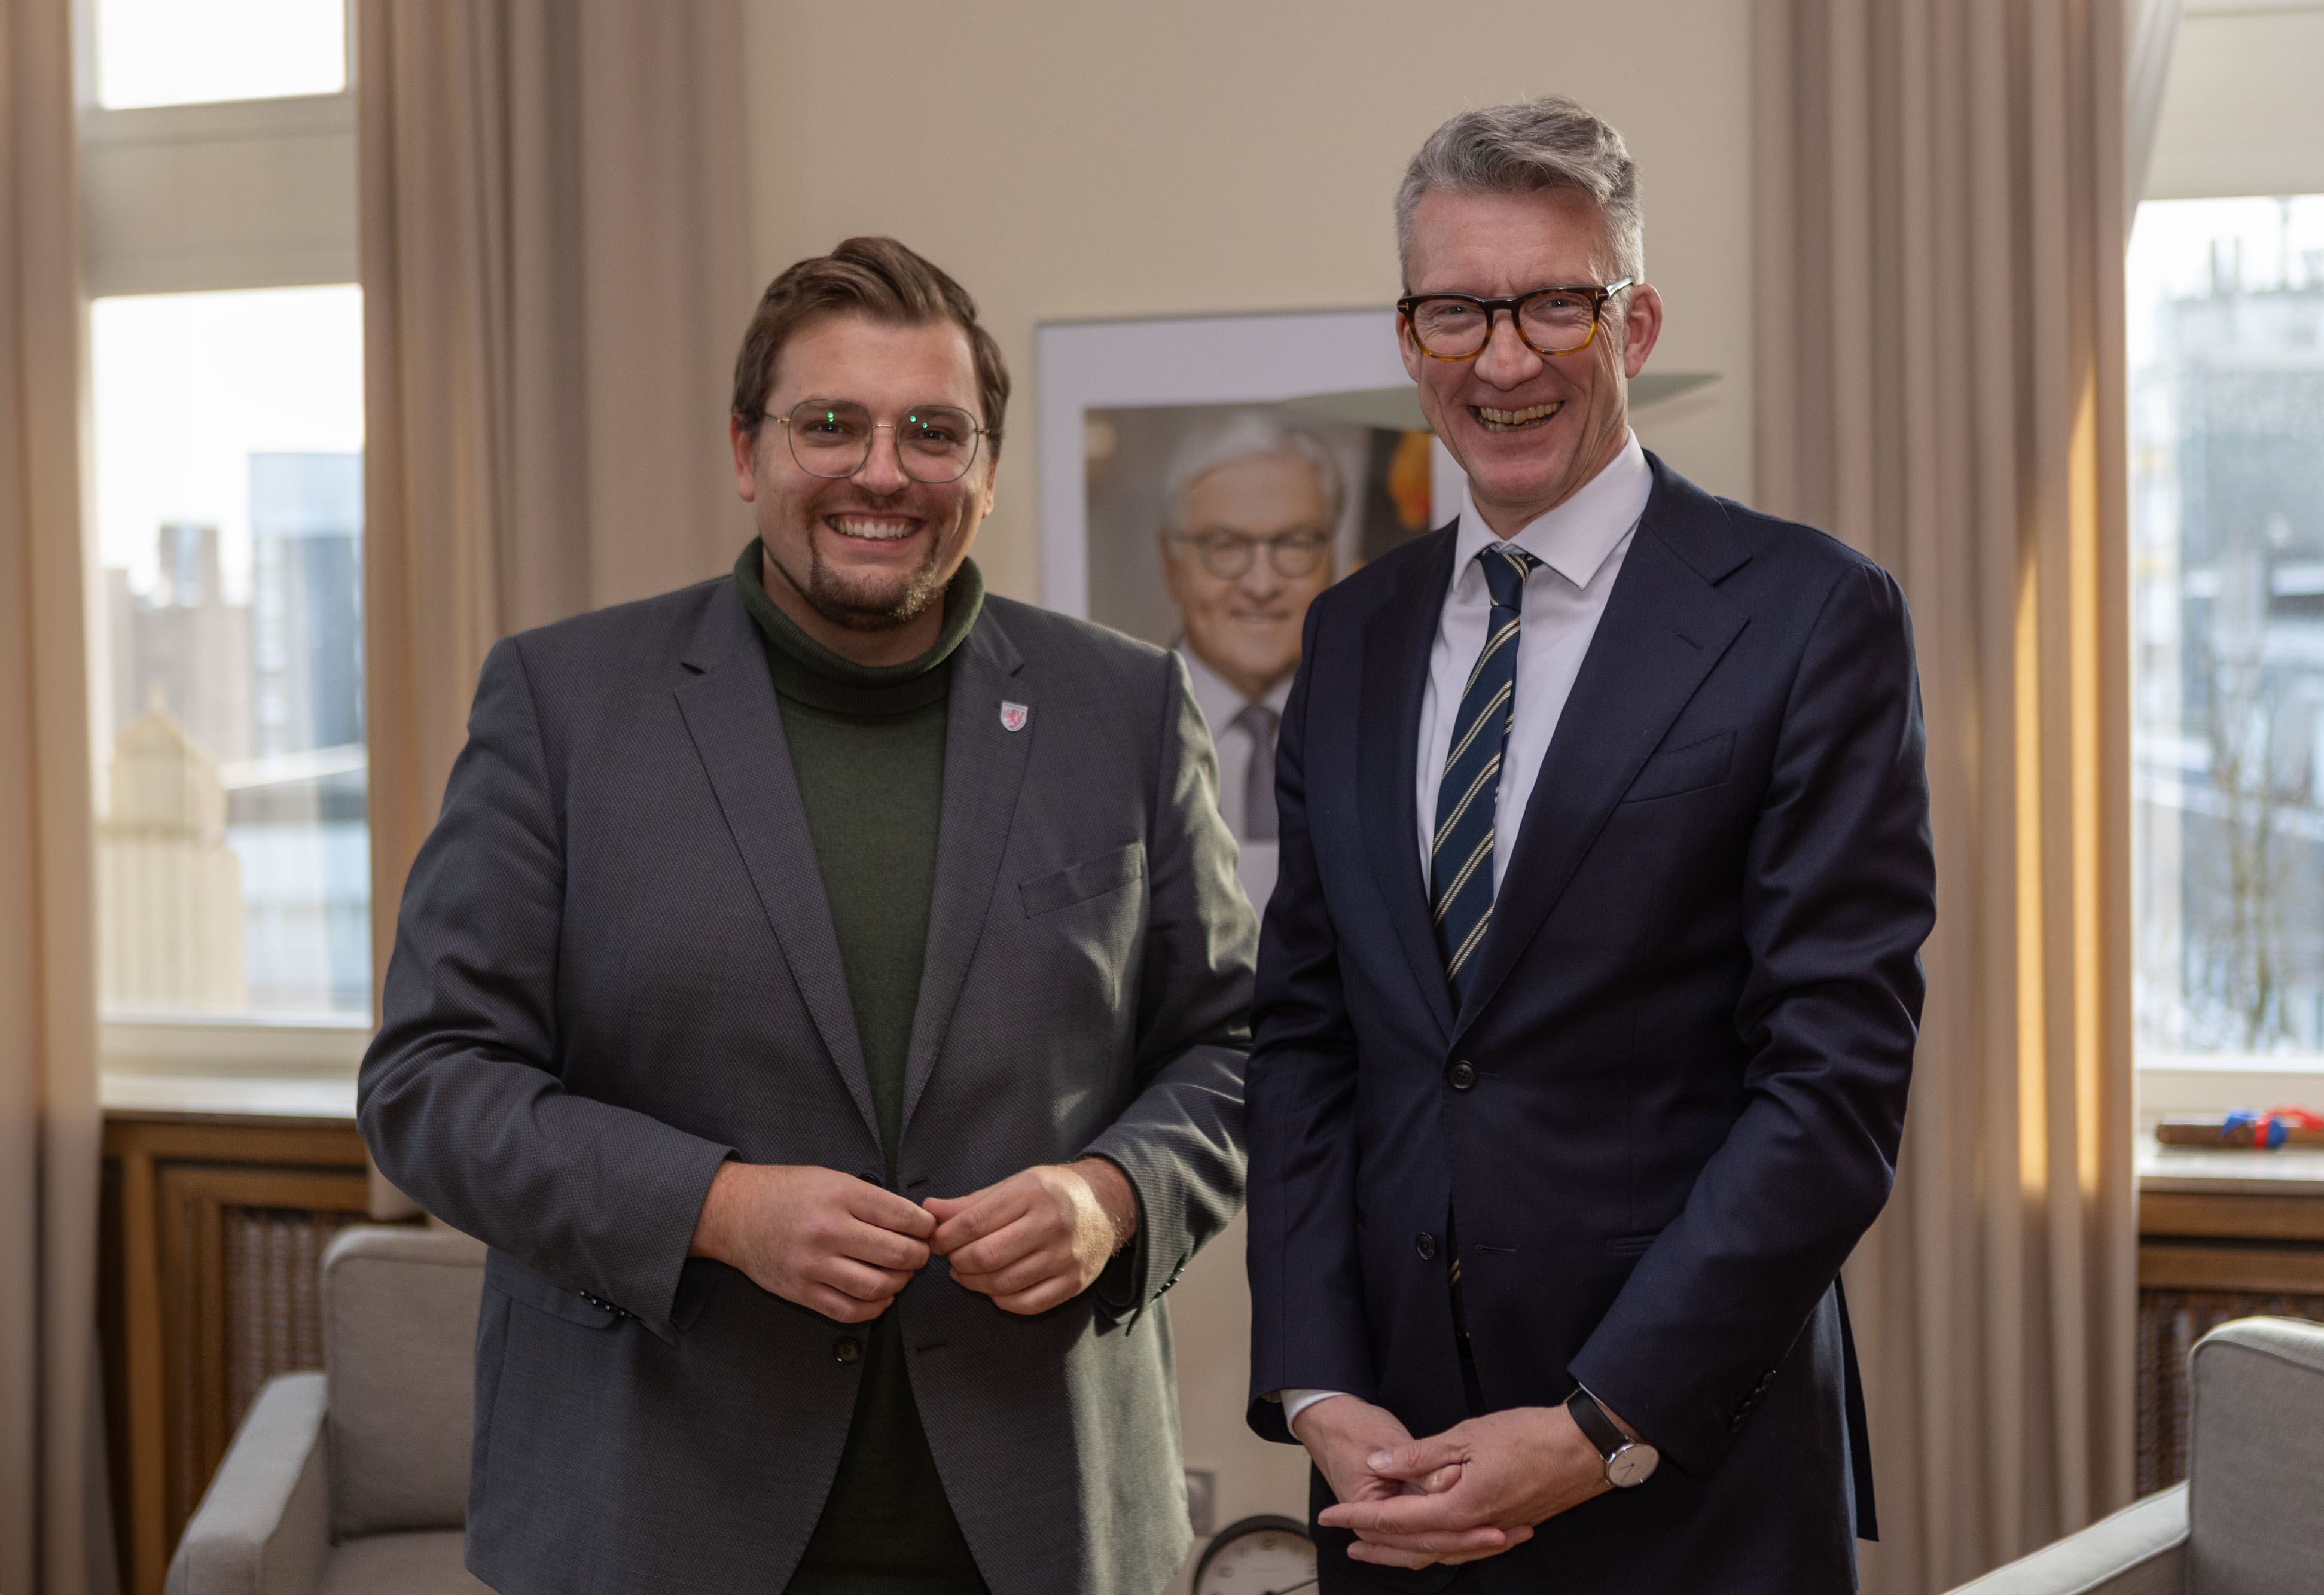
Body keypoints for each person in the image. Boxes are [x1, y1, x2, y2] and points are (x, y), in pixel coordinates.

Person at [359, 236, 1254, 1595]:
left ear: (986, 470)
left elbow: (1241, 1046)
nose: (882, 471)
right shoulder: (562, 705)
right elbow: (428, 1083)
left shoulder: (1124, 708)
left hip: (1033, 1520)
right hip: (656, 1515)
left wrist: (1114, 1195)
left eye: (932, 432)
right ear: (747, 449)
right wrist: (714, 1208)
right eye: (830, 423)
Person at [1243, 99, 1935, 1591]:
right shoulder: (1350, 635)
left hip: (1686, 1471)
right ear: (1409, 336)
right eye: (1455, 311)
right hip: (1395, 1481)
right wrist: (1313, 1384)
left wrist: (1596, 1423)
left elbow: (1831, 1085)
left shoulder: (1809, 616)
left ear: (1635, 321)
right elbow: (1303, 1038)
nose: (1503, 361)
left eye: (1555, 302)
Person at [1156, 413, 1345, 912]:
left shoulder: (1385, 725)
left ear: (1333, 557)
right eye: (1226, 546)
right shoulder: (1117, 734)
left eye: (1296, 544)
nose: (1262, 585)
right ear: (1170, 564)